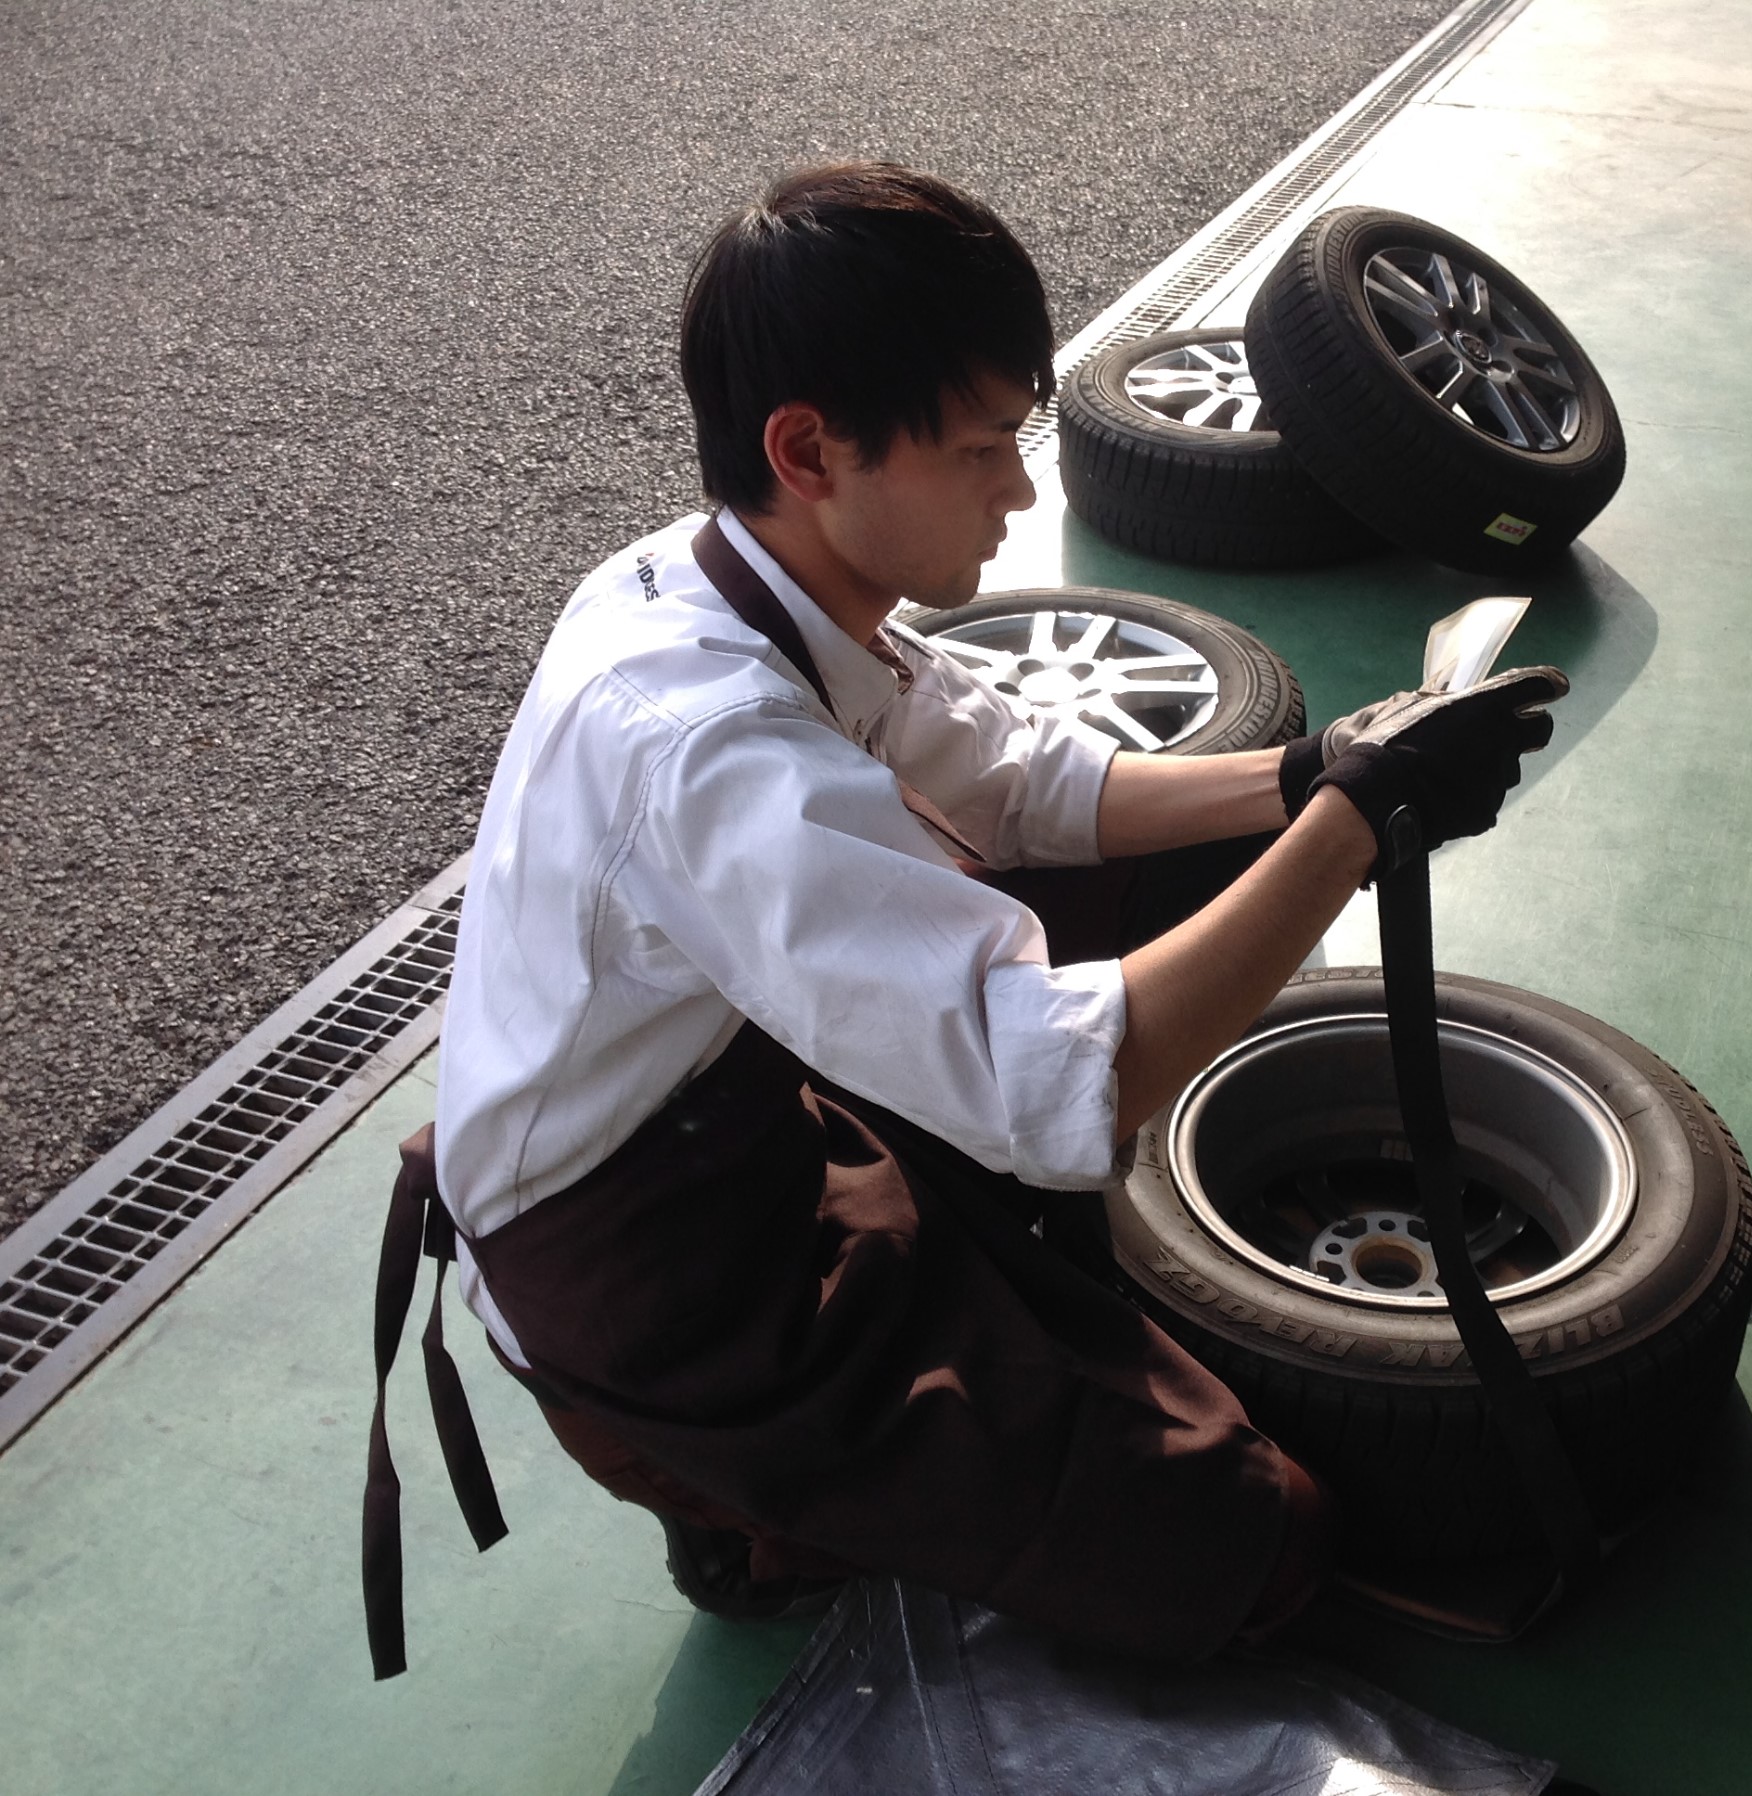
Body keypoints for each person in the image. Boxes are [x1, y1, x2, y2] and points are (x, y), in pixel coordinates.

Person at [363, 161, 1566, 1676]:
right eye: (983, 448)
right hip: (646, 1269)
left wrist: (1309, 772)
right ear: (810, 450)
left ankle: (966, 1319)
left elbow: (1018, 782)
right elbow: (1060, 1085)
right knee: (1254, 1546)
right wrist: (1354, 826)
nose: (1020, 492)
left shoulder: (733, 578)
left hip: (731, 1098)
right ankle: (738, 1510)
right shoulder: (708, 745)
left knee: (1189, 872)